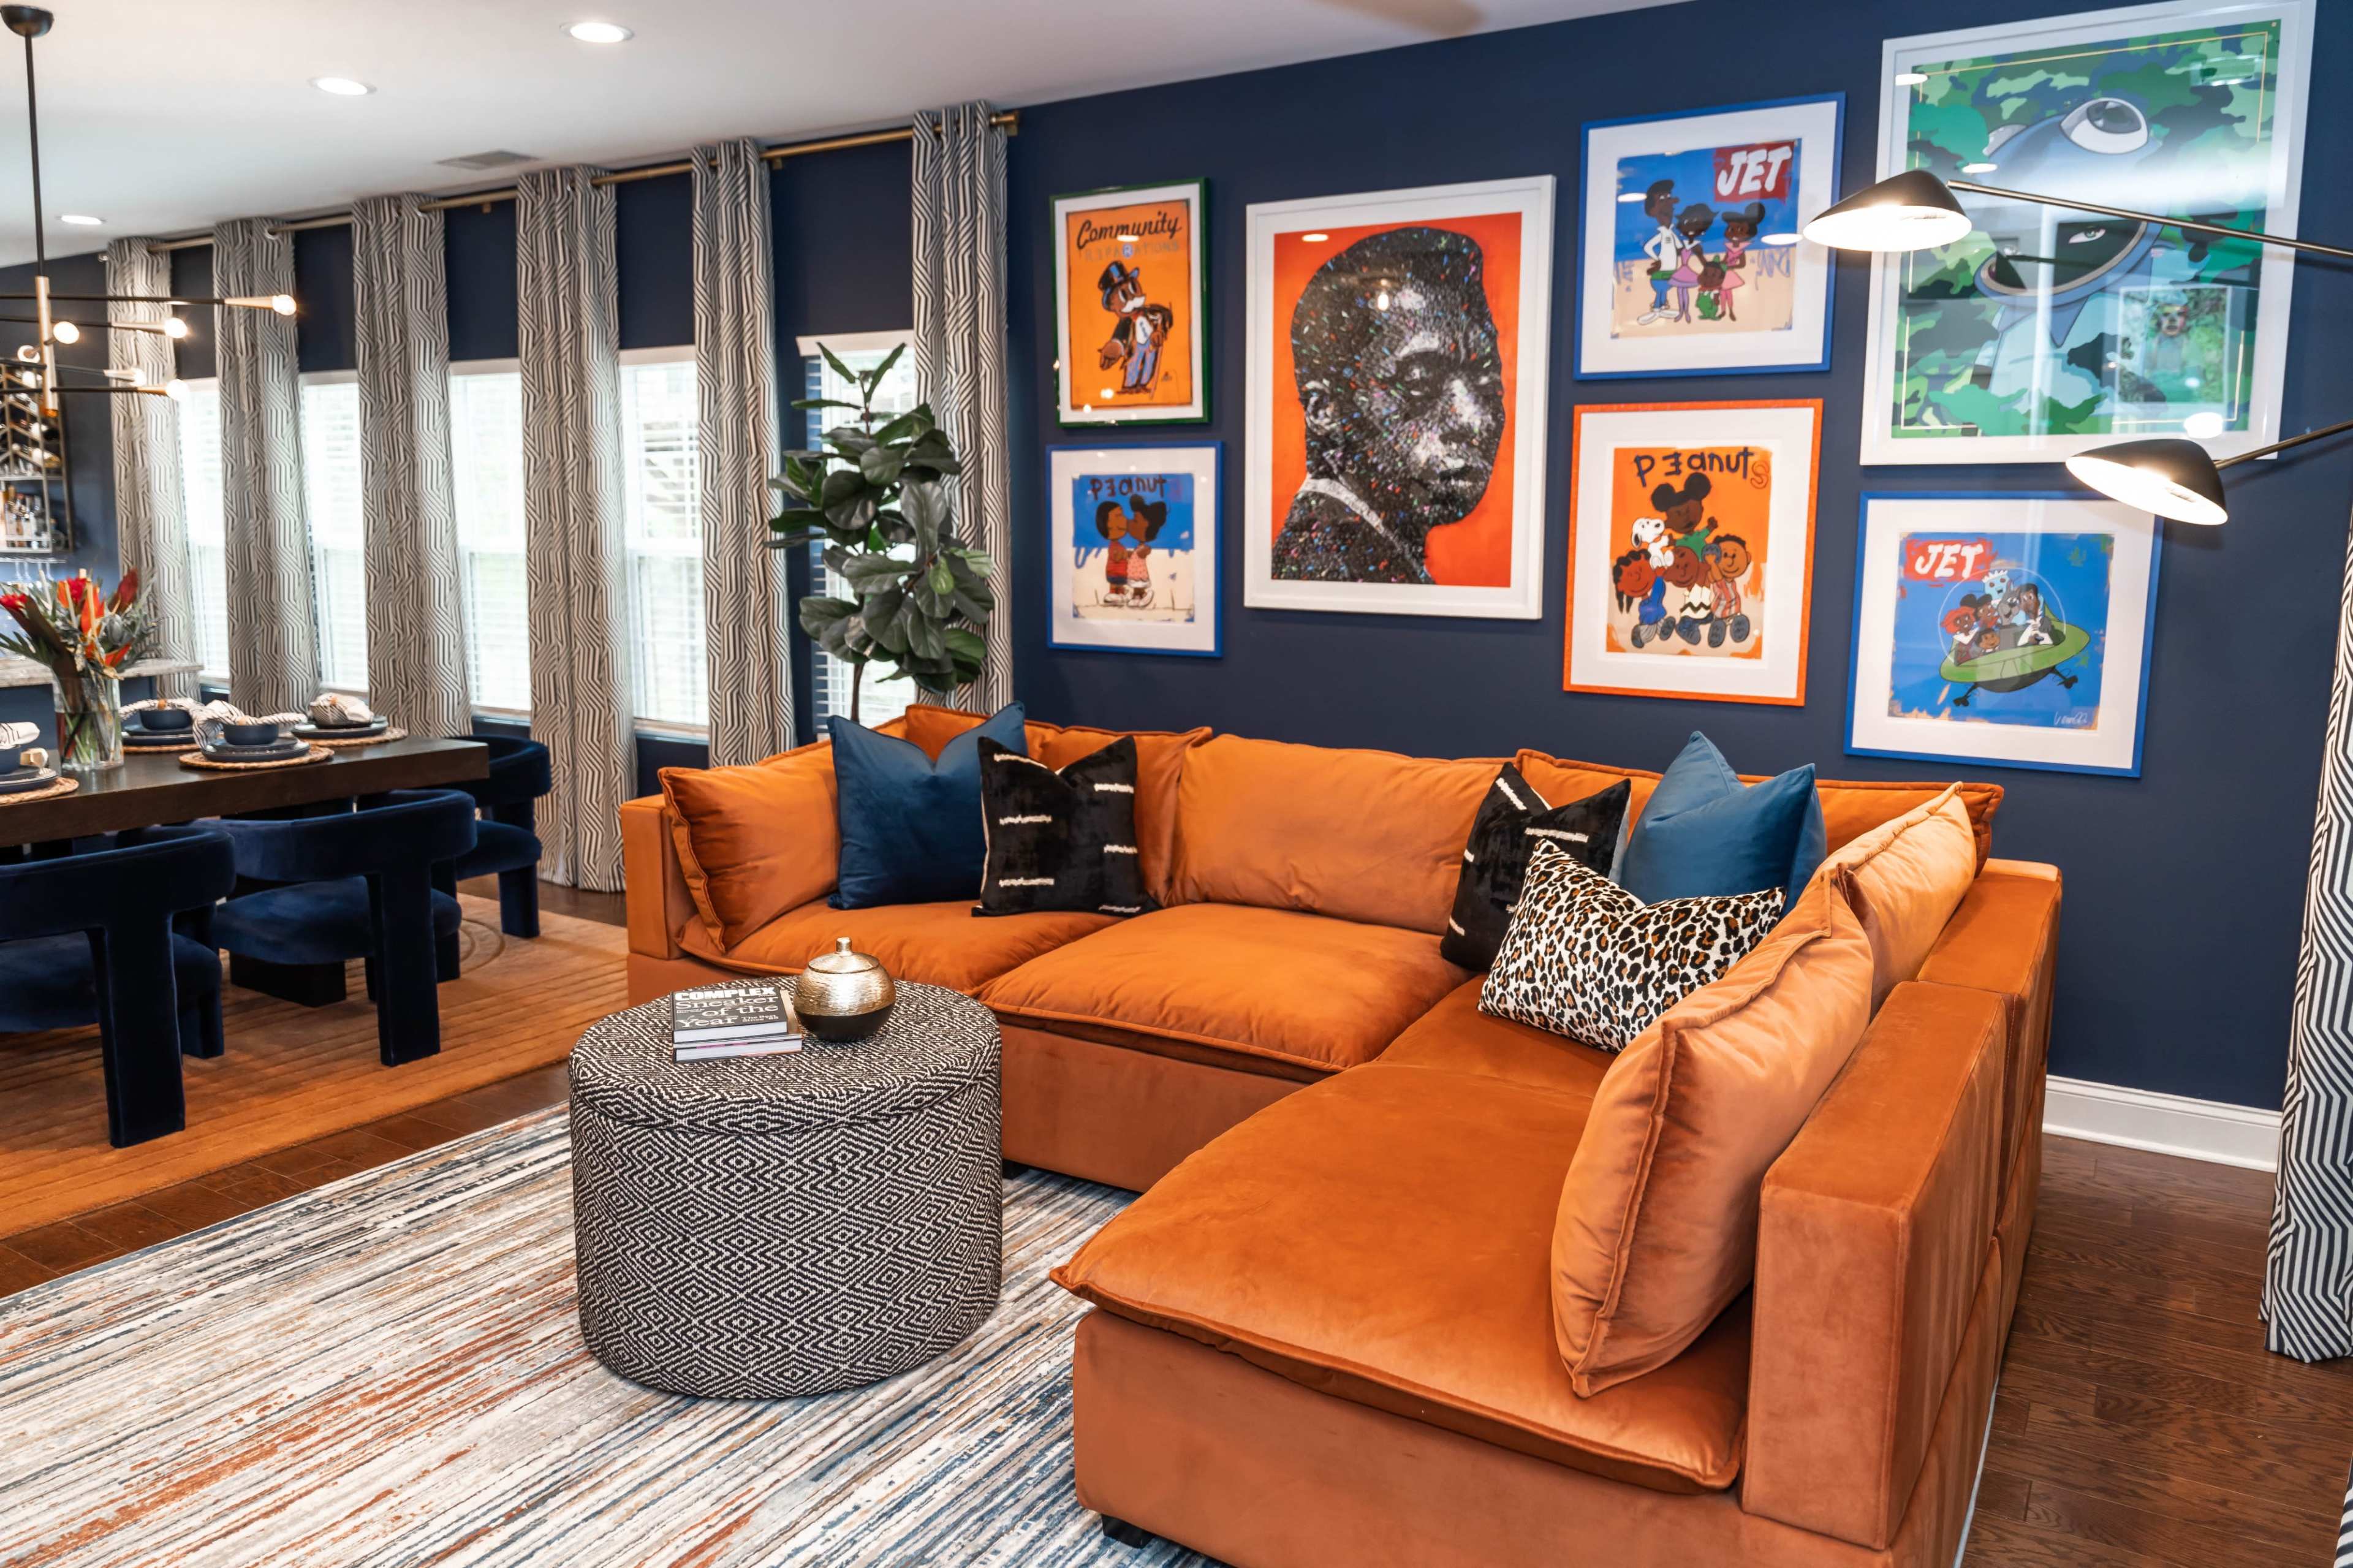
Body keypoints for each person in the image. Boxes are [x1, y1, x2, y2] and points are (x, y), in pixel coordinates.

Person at [1271, 226, 1506, 585]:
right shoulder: (1330, 568)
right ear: (1325, 412)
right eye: (1421, 383)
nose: (1474, 419)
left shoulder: (1366, 560)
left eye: (1488, 385)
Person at [1635, 180, 1679, 326]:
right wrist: (1657, 258)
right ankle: (1656, 309)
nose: (1669, 205)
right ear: (1653, 211)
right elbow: (1648, 247)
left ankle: (1662, 307)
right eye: (1662, 199)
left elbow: (1679, 247)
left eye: (1669, 198)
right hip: (1664, 269)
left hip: (1671, 269)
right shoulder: (1661, 234)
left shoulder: (1671, 233)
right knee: (1661, 287)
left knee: (1666, 287)